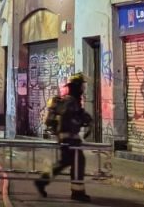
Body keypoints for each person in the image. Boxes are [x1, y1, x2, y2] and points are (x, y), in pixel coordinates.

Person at [35, 73, 92, 202]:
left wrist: (85, 119)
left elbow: (78, 115)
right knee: (78, 162)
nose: (83, 89)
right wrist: (79, 120)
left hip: (68, 138)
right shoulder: (70, 101)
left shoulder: (72, 101)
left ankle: (43, 181)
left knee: (66, 162)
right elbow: (68, 118)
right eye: (81, 86)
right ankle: (77, 193)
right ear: (77, 86)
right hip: (69, 138)